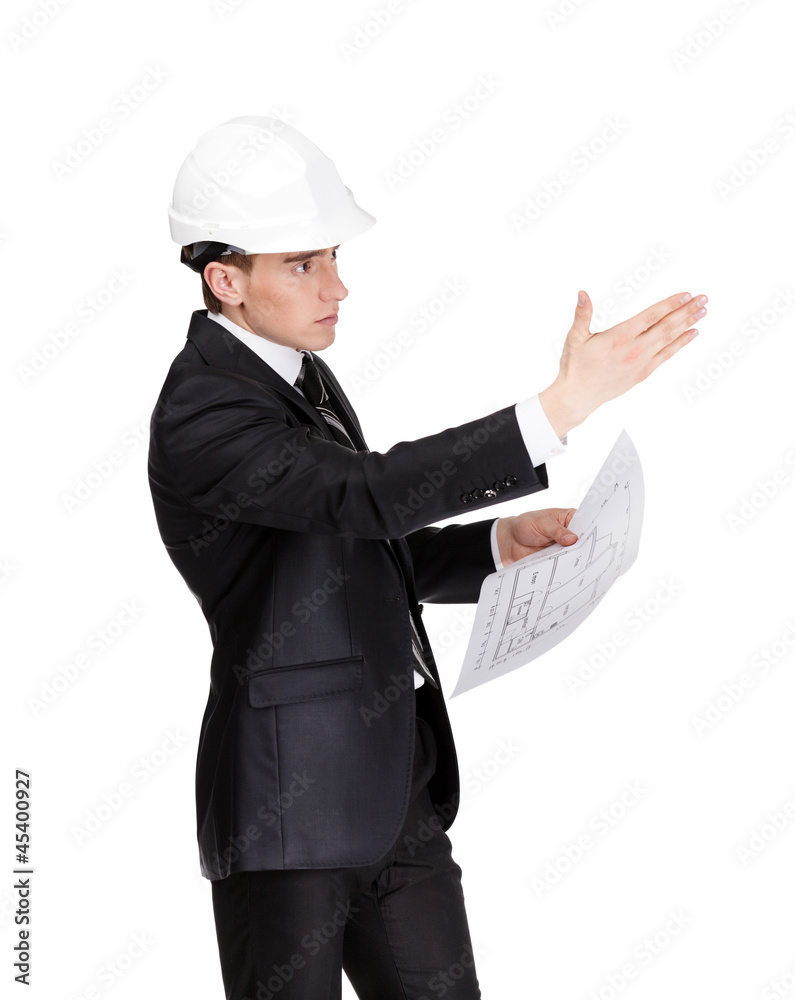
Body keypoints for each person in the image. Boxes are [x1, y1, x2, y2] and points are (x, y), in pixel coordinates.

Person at [147, 116, 708, 1000]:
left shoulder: (295, 373)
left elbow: (343, 542)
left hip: (392, 787)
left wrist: (492, 543)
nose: (338, 284)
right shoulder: (204, 412)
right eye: (303, 263)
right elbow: (362, 494)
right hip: (287, 808)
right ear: (226, 280)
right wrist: (556, 409)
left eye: (332, 255)